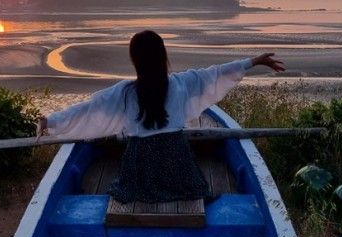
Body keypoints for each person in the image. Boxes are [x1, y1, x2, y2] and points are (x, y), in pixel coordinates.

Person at [37, 30, 285, 205]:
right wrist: (254, 61)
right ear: (163, 56)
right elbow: (216, 74)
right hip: (177, 164)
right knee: (195, 185)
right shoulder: (180, 84)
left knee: (123, 186)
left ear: (135, 60)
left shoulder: (125, 92)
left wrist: (51, 121)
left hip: (139, 170)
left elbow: (88, 109)